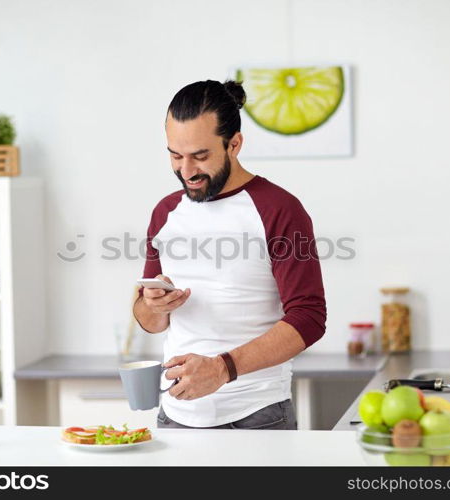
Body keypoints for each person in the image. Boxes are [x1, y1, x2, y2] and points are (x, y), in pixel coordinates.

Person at [132, 79, 326, 430]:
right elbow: (148, 319)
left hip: (257, 416)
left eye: (200, 156)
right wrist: (153, 305)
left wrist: (222, 368)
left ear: (234, 144)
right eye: (176, 155)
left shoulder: (279, 209)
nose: (186, 171)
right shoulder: (166, 212)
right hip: (174, 416)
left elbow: (309, 318)